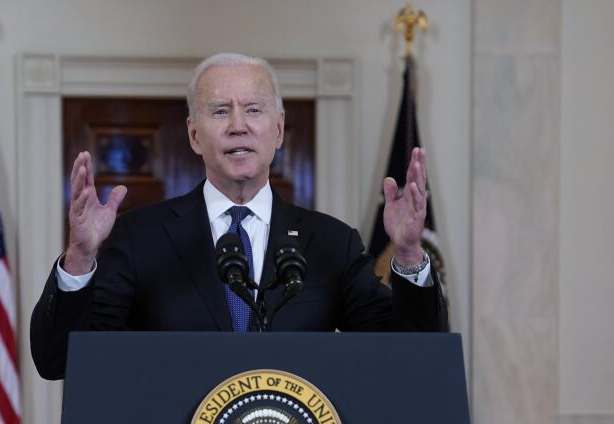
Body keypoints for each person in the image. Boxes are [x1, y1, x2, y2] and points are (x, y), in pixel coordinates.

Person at [30, 53, 447, 380]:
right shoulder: (141, 237)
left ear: (278, 130)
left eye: (253, 109)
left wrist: (408, 254)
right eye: (219, 111)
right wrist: (80, 258)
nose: (237, 126)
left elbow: (410, 356)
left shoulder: (331, 244)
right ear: (195, 134)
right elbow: (58, 359)